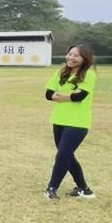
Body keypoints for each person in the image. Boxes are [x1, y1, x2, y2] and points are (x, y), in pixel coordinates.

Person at [44, 45, 98, 200]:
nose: (71, 58)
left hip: (78, 123)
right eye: (69, 54)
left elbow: (80, 96)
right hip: (59, 120)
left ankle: (51, 188)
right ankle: (84, 189)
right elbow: (48, 94)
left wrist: (62, 96)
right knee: (67, 156)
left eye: (76, 55)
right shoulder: (61, 72)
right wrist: (68, 96)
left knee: (62, 156)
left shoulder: (89, 74)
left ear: (84, 59)